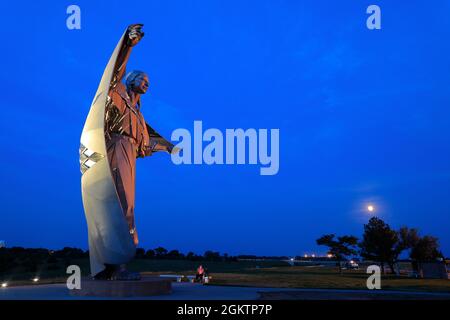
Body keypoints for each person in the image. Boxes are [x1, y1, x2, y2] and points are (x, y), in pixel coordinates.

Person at [94, 24, 173, 280]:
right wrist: (128, 44)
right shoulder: (118, 94)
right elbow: (115, 73)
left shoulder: (139, 116)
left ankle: (118, 262)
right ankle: (113, 264)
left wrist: (167, 147)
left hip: (129, 152)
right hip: (116, 146)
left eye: (149, 82)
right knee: (119, 201)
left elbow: (145, 145)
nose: (147, 84)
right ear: (132, 80)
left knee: (128, 204)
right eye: (144, 80)